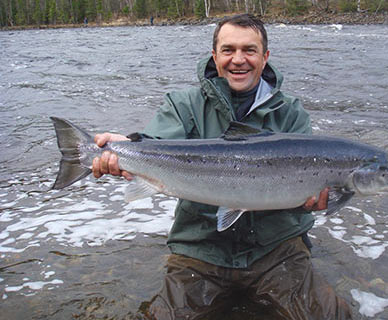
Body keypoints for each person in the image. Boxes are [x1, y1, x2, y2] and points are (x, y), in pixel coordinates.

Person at [93, 14, 352, 320]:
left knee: (332, 315)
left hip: (276, 248)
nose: (238, 59)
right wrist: (127, 145)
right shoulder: (183, 104)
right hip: (200, 249)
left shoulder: (291, 113)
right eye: (228, 50)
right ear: (214, 56)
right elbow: (156, 141)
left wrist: (313, 201)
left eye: (249, 50)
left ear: (265, 57)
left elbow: (304, 189)